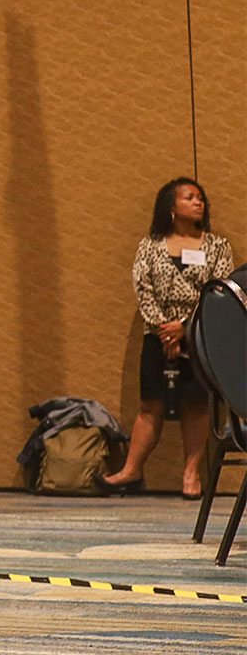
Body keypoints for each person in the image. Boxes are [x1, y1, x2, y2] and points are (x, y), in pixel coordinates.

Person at [101, 178, 233, 497]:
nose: (198, 203)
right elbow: (142, 287)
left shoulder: (217, 246)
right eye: (189, 198)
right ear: (171, 207)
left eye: (201, 198)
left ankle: (191, 475)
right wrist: (165, 328)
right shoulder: (151, 245)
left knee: (196, 403)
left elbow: (220, 291)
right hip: (157, 336)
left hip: (200, 335)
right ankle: (131, 471)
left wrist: (185, 327)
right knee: (151, 403)